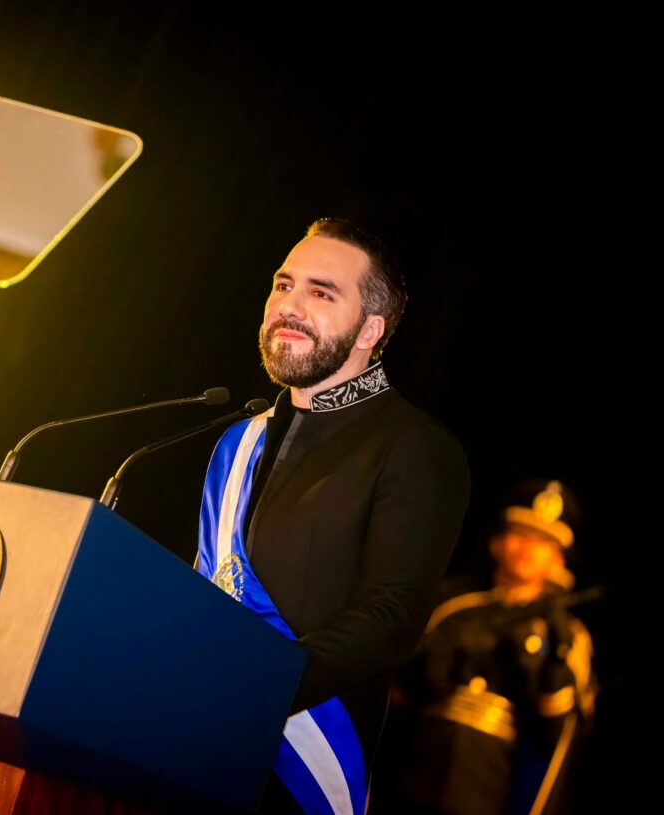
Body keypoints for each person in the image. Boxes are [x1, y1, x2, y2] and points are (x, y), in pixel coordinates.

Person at [194, 217, 472, 814]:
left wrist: (251, 688)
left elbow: (390, 621)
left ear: (370, 329)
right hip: (186, 744)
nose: (289, 306)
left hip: (296, 773)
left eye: (321, 293)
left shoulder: (415, 447)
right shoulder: (239, 444)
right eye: (283, 285)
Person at [379, 478, 598, 815]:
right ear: (498, 541)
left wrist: (547, 667)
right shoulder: (453, 603)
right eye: (520, 533)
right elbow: (392, 691)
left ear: (559, 559)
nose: (527, 548)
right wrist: (433, 665)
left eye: (543, 542)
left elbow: (555, 738)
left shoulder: (567, 633)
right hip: (413, 766)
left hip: (486, 786)